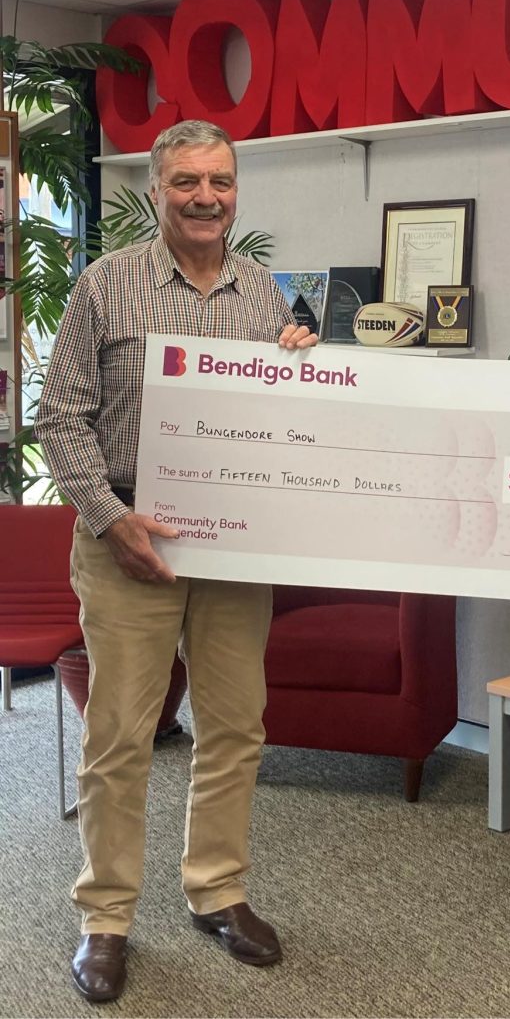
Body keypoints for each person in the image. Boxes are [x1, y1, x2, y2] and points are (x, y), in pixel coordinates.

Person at [36, 120, 318, 1004]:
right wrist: (113, 519)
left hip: (231, 548)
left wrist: (305, 369)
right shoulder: (104, 286)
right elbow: (60, 417)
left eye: (221, 182)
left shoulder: (264, 292)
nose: (207, 198)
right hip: (128, 542)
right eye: (188, 182)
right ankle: (106, 917)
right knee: (121, 736)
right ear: (158, 189)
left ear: (237, 190)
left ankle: (217, 891)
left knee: (236, 726)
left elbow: (279, 420)